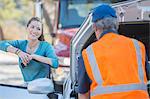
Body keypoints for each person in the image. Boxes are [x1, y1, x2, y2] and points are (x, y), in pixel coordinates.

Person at [77, 4, 149, 99]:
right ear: (117, 24)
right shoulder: (137, 47)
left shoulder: (88, 54)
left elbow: (83, 93)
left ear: (95, 27)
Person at [0, 17, 59, 82]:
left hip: (43, 87)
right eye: (32, 27)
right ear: (27, 28)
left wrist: (34, 57)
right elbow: (1, 44)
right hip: (26, 87)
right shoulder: (21, 44)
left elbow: (55, 63)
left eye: (38, 29)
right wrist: (19, 52)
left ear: (41, 32)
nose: (34, 31)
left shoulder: (46, 46)